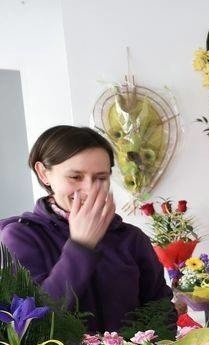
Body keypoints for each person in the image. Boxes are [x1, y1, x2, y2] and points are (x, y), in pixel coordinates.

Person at [0, 125, 173, 333]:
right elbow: (32, 325)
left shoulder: (131, 238)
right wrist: (81, 247)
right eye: (75, 177)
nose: (90, 189)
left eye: (101, 178)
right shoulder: (19, 237)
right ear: (44, 173)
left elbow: (161, 309)